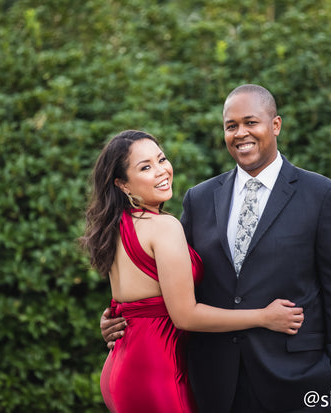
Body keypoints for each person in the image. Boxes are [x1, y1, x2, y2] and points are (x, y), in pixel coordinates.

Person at [101, 85, 331, 412]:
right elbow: (170, 281)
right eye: (231, 126)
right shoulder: (199, 198)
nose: (241, 133)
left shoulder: (322, 195)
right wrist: (120, 315)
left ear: (276, 125)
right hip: (214, 383)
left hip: (299, 382)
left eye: (251, 122)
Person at [80, 129, 304, 413]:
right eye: (146, 167)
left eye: (161, 159)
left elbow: (135, 301)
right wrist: (264, 317)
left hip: (120, 366)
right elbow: (185, 315)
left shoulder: (116, 226)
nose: (162, 171)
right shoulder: (164, 226)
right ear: (122, 184)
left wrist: (109, 319)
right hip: (156, 369)